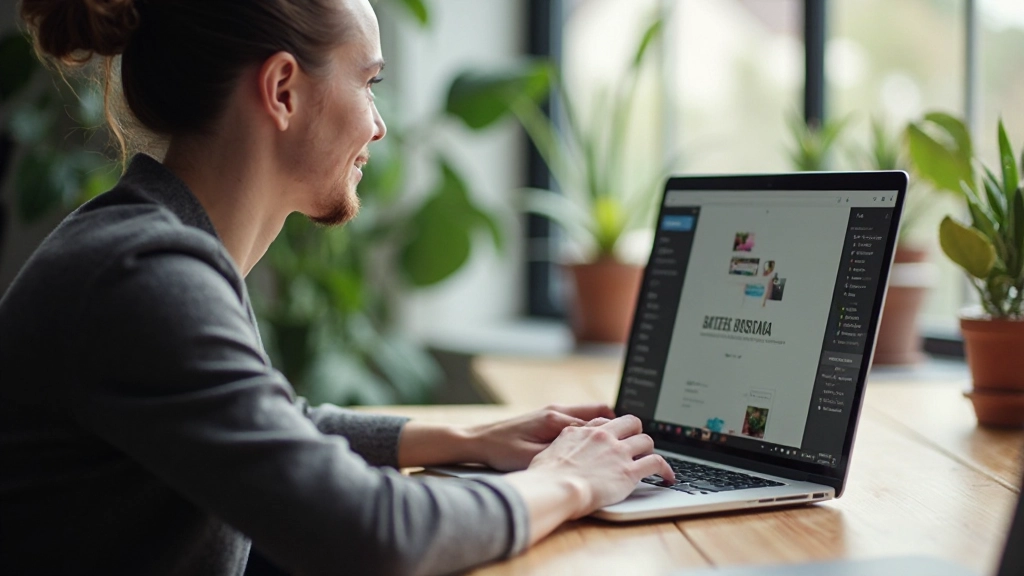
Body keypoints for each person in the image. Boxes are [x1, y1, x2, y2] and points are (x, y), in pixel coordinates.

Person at [0, 1, 674, 575]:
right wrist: (569, 481)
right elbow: (372, 531)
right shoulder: (145, 276)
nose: (378, 124)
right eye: (369, 81)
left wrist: (471, 438)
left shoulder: (154, 244)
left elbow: (274, 430)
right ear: (283, 90)